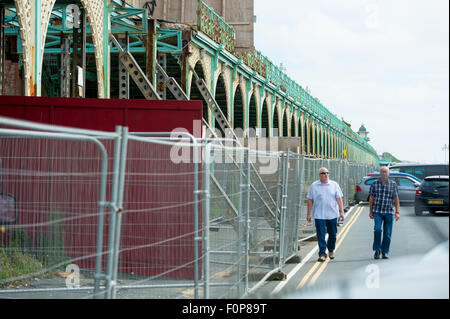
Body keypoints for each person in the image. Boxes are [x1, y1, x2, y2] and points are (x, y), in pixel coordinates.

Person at [307, 167, 345, 262]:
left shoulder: (334, 185)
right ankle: (322, 254)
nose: (326, 175)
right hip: (319, 215)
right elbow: (310, 200)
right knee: (321, 235)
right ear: (319, 175)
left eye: (327, 173)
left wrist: (341, 212)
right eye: (323, 173)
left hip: (332, 214)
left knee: (333, 235)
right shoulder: (314, 186)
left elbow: (339, 199)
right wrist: (308, 214)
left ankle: (331, 250)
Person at [369, 166, 400, 259]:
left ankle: (385, 251)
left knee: (387, 233)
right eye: (382, 172)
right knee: (377, 230)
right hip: (377, 211)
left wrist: (397, 212)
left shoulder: (393, 184)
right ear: (380, 173)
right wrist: (370, 211)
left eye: (385, 172)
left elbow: (396, 199)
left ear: (388, 173)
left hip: (388, 212)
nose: (384, 173)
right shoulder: (374, 183)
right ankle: (377, 250)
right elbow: (371, 198)